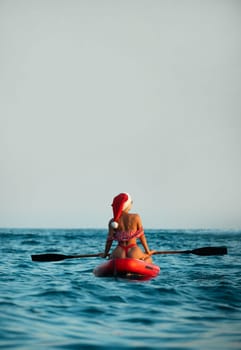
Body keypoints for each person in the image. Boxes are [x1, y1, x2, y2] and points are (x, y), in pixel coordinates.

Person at [102, 193, 155, 263]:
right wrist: (148, 252)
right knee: (148, 259)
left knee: (110, 260)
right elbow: (142, 236)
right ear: (127, 205)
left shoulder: (113, 221)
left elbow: (109, 241)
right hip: (133, 250)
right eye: (131, 202)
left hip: (119, 252)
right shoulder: (136, 217)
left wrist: (105, 254)